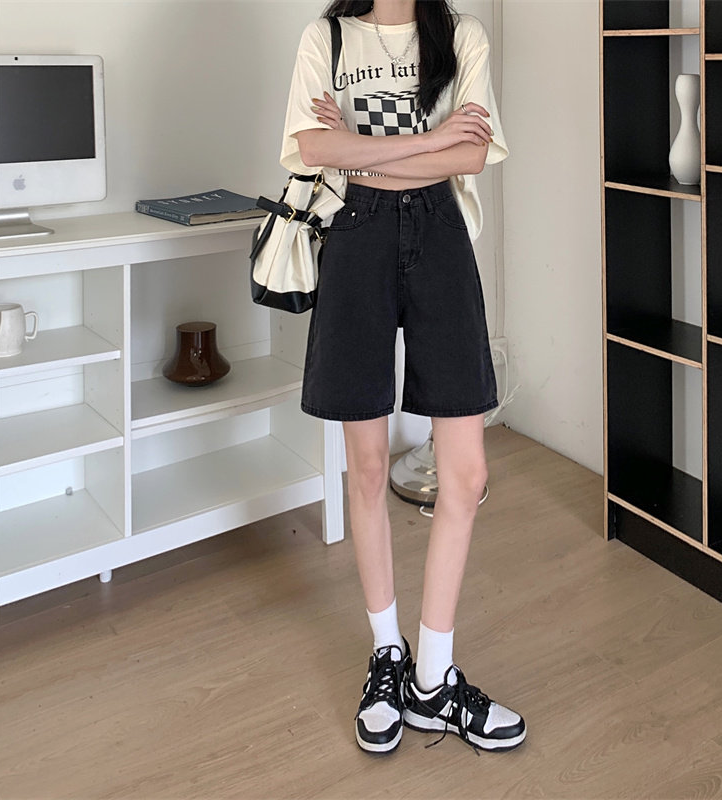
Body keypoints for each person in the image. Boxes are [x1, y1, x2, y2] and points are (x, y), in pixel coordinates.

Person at [279, 0, 525, 754]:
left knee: (466, 473)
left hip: (442, 236)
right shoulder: (326, 37)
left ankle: (433, 678)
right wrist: (432, 139)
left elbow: (471, 158)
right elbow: (309, 147)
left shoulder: (463, 36)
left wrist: (359, 152)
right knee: (366, 466)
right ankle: (388, 654)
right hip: (353, 239)